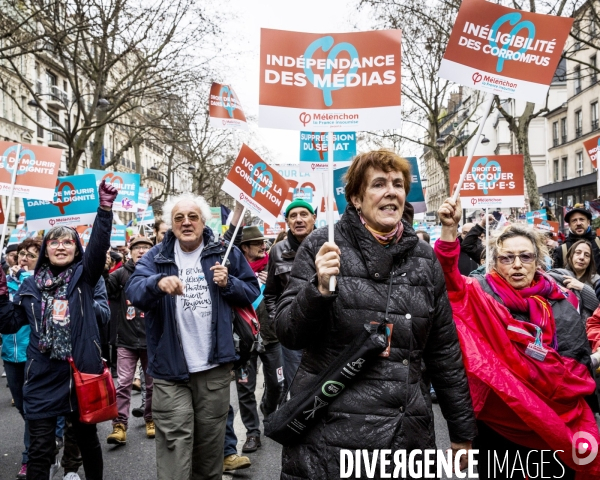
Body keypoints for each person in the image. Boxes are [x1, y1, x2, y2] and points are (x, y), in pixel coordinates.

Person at [274, 150, 476, 479]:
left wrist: (462, 431)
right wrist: (319, 289)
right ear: (356, 197)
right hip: (332, 439)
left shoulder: (424, 259)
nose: (391, 191)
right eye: (378, 184)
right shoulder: (321, 246)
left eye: (398, 184)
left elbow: (444, 351)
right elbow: (288, 332)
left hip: (405, 435)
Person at [435, 193, 600, 479]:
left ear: (538, 260)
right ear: (495, 262)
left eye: (525, 256)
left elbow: (576, 361)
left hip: (553, 425)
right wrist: (449, 230)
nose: (517, 264)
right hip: (501, 428)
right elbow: (447, 277)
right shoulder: (480, 295)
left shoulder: (560, 302)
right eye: (507, 257)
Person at [126, 193, 260, 480]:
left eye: (192, 217)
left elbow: (251, 290)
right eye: (178, 218)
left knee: (210, 449)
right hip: (169, 370)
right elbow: (134, 291)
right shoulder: (156, 256)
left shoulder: (223, 251)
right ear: (170, 225)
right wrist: (157, 283)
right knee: (174, 442)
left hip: (213, 369)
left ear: (203, 222)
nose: (186, 222)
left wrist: (229, 283)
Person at [0, 180, 117, 480]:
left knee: (88, 442)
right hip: (42, 378)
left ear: (76, 250)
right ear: (46, 250)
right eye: (54, 242)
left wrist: (104, 210)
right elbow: (9, 323)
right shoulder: (29, 286)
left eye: (68, 242)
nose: (61, 246)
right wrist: (0, 295)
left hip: (81, 375)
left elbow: (99, 246)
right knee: (40, 449)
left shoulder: (84, 277)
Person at [234, 226, 284, 454]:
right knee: (245, 388)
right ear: (244, 247)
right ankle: (253, 433)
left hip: (272, 337)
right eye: (256, 243)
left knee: (277, 383)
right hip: (244, 340)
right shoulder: (233, 270)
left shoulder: (273, 266)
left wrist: (272, 281)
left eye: (263, 242)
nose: (263, 246)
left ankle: (268, 408)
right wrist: (247, 282)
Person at [105, 236, 155, 445]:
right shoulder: (120, 274)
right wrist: (101, 267)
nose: (141, 251)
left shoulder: (156, 272)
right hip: (125, 339)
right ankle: (119, 425)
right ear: (130, 252)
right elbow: (105, 289)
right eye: (137, 248)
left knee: (152, 384)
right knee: (123, 383)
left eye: (145, 248)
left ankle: (151, 418)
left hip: (151, 339)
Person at [264, 198, 316, 390]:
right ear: (287, 222)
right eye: (293, 216)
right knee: (296, 387)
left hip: (324, 332)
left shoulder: (329, 244)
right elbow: (270, 294)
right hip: (292, 331)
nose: (299, 220)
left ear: (314, 218)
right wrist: (278, 322)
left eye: (304, 214)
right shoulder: (277, 251)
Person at [2, 237, 41, 479]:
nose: (24, 258)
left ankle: (31, 458)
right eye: (22, 254)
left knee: (34, 409)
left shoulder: (39, 281)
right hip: (9, 354)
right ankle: (45, 439)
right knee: (24, 408)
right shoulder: (6, 283)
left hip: (33, 354)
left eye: (31, 255)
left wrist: (25, 279)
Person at [548, 240, 600, 322]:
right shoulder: (558, 276)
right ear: (570, 256)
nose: (582, 257)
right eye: (578, 253)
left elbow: (598, 305)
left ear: (590, 261)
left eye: (587, 255)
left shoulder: (597, 280)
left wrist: (582, 287)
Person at [553, 205, 600, 272]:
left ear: (588, 222)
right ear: (569, 225)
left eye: (582, 219)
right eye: (574, 220)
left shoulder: (598, 243)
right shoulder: (561, 250)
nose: (578, 223)